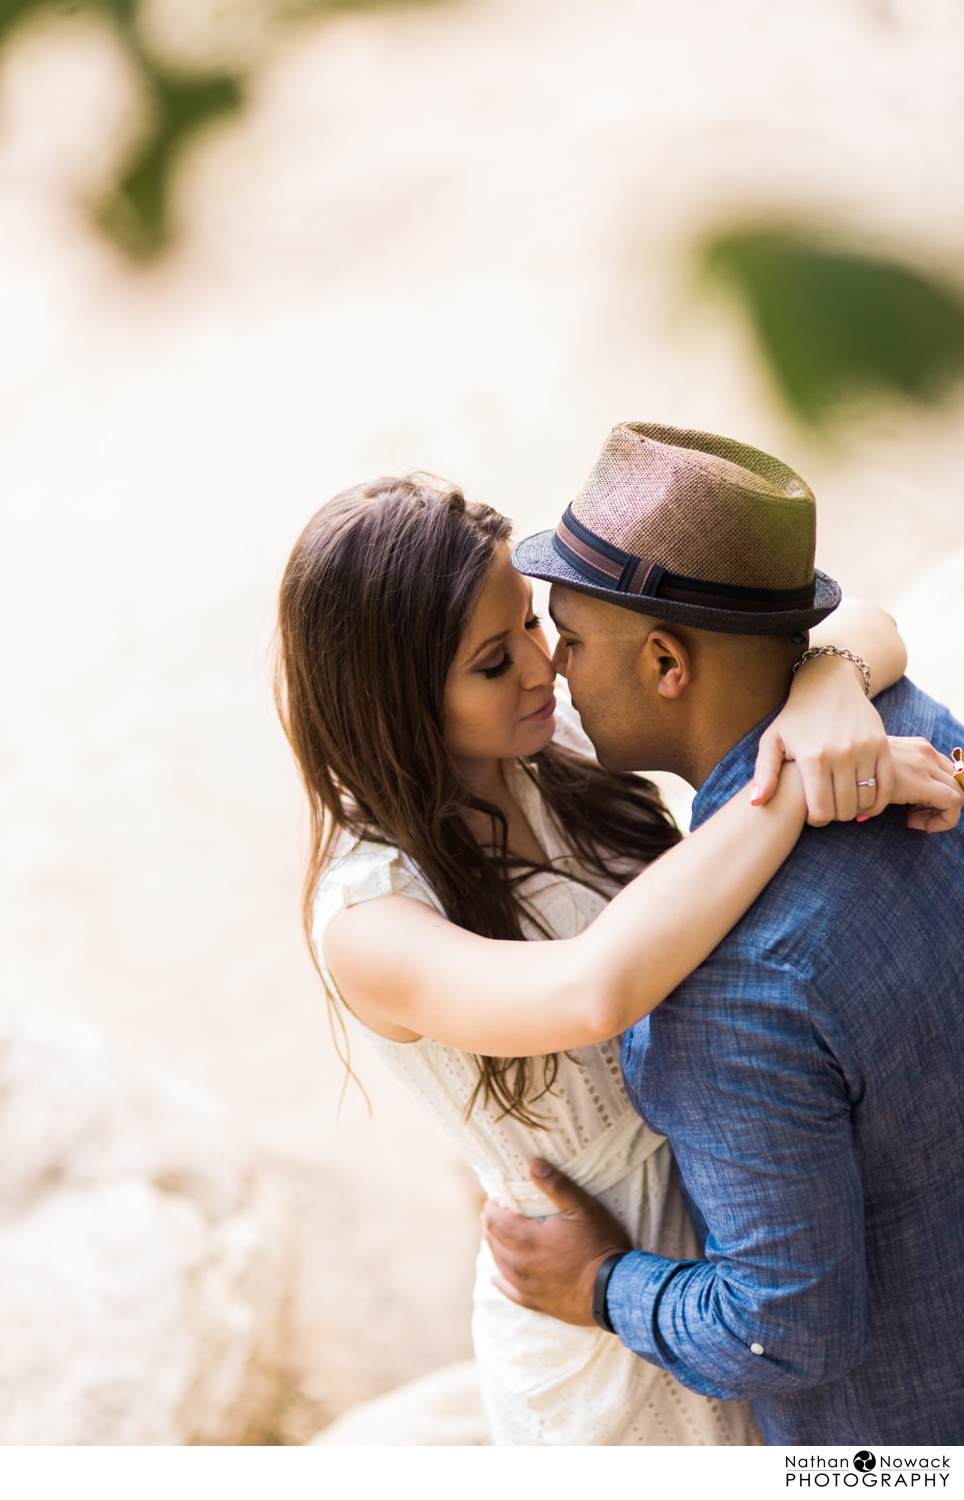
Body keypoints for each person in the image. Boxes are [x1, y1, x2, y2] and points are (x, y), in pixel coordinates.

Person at [275, 466, 958, 1447]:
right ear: (394, 696)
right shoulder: (368, 917)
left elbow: (875, 623)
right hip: (590, 1304)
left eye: (530, 625)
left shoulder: (549, 754)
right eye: (491, 661)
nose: (541, 668)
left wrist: (822, 685)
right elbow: (592, 988)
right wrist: (795, 783)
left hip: (739, 1216)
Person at [485, 420, 964, 1446]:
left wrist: (600, 1283)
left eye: (567, 636)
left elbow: (785, 1333)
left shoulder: (723, 991)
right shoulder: (918, 728)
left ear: (666, 661)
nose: (552, 669)